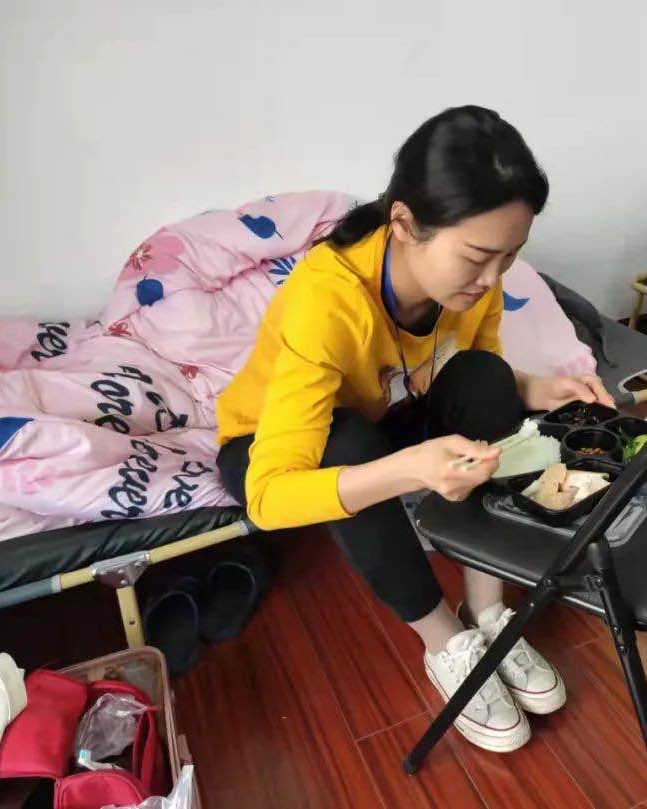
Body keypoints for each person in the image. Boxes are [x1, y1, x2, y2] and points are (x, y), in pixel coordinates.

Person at [215, 105, 614, 753]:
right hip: (270, 450)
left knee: (485, 376)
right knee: (345, 443)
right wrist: (408, 469)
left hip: (387, 414)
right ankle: (444, 640)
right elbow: (267, 497)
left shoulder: (478, 282)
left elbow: (466, 369)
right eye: (477, 257)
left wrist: (536, 389)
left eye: (510, 257)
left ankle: (486, 607)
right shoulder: (326, 301)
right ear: (404, 223)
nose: (492, 280)